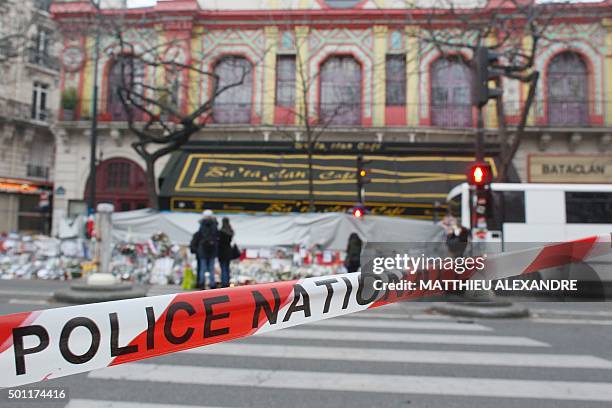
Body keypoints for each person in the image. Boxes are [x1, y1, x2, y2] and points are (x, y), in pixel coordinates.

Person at [196, 209, 218, 289]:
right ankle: (212, 284)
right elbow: (216, 235)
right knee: (211, 268)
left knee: (203, 268)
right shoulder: (215, 224)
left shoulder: (202, 225)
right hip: (212, 249)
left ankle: (202, 283)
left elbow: (199, 235)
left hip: (203, 249)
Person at [217, 217, 234, 288]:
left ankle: (224, 283)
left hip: (222, 252)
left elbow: (219, 242)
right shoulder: (231, 231)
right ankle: (227, 282)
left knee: (223, 268)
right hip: (228, 252)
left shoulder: (221, 231)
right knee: (227, 268)